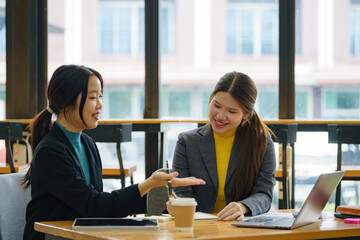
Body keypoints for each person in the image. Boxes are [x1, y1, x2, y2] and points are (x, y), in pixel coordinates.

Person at [21, 64, 205, 240]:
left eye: (100, 96)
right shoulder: (50, 152)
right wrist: (148, 184)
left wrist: (157, 189)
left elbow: (100, 205)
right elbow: (95, 206)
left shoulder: (87, 143)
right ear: (66, 101)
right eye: (93, 98)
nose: (100, 105)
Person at [166, 71, 276, 221]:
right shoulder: (187, 142)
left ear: (246, 114)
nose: (220, 116)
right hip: (200, 229)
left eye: (231, 111)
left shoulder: (261, 142)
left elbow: (264, 194)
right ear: (211, 99)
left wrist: (243, 207)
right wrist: (177, 204)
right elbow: (182, 194)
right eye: (217, 105)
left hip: (242, 229)